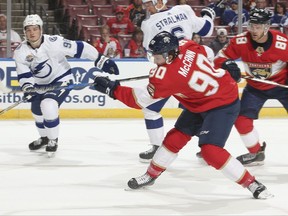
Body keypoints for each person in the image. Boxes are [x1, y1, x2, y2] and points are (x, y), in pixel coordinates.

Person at [91, 31, 273, 199]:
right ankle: (150, 175)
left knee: (211, 151)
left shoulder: (166, 77)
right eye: (153, 55)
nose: (154, 60)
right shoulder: (187, 45)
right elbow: (208, 52)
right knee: (173, 139)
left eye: (158, 56)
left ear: (170, 55)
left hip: (222, 104)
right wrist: (224, 64)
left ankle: (252, 184)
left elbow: (140, 100)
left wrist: (112, 90)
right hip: (201, 101)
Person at [13, 14, 119, 157]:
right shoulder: (20, 52)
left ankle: (52, 139)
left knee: (48, 105)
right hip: (39, 84)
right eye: (28, 30)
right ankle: (44, 137)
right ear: (24, 32)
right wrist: (28, 87)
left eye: (35, 29)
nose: (32, 33)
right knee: (37, 112)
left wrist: (100, 60)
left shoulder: (54, 42)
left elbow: (80, 48)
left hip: (60, 79)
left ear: (41, 29)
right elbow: (24, 74)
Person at [138, 0, 216, 162]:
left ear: (159, 2)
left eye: (148, 3)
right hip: (193, 67)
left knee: (151, 108)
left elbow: (150, 54)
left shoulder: (148, 24)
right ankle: (210, 147)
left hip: (171, 73)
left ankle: (157, 148)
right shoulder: (185, 10)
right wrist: (208, 14)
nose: (146, 6)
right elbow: (207, 30)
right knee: (204, 109)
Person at [214, 8, 288, 166]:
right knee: (241, 121)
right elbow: (219, 58)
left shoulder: (282, 43)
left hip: (282, 86)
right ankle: (256, 153)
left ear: (267, 27)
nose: (253, 30)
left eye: (258, 26)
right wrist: (227, 64)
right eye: (251, 26)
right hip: (255, 88)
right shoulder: (241, 41)